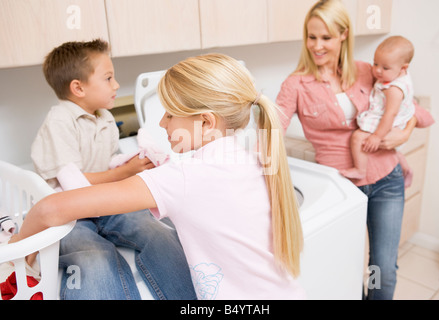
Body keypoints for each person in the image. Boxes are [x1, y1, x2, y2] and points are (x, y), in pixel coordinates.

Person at [13, 53, 306, 300]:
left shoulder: (184, 177)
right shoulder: (251, 159)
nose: (161, 121)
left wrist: (16, 254)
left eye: (169, 113)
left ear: (205, 122)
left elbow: (50, 208)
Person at [276, 0, 434, 300]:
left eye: (326, 37)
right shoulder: (295, 84)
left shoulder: (367, 71)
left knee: (382, 269)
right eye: (312, 37)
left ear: (343, 35)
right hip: (342, 188)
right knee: (345, 266)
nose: (317, 45)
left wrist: (405, 132)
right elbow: (272, 130)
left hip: (387, 178)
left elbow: (414, 109)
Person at [30, 39, 196, 300]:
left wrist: (133, 163)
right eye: (108, 78)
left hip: (105, 203)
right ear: (78, 88)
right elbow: (72, 182)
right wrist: (124, 173)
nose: (117, 85)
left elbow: (105, 162)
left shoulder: (104, 117)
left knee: (160, 234)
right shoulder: (60, 120)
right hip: (70, 214)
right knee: (94, 257)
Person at [340, 36, 416, 185]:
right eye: (375, 63)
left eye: (385, 68)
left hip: (390, 121)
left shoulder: (394, 89)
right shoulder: (395, 76)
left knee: (357, 137)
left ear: (403, 68)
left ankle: (360, 169)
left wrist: (376, 136)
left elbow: (390, 114)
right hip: (396, 121)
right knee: (394, 150)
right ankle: (405, 167)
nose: (378, 70)